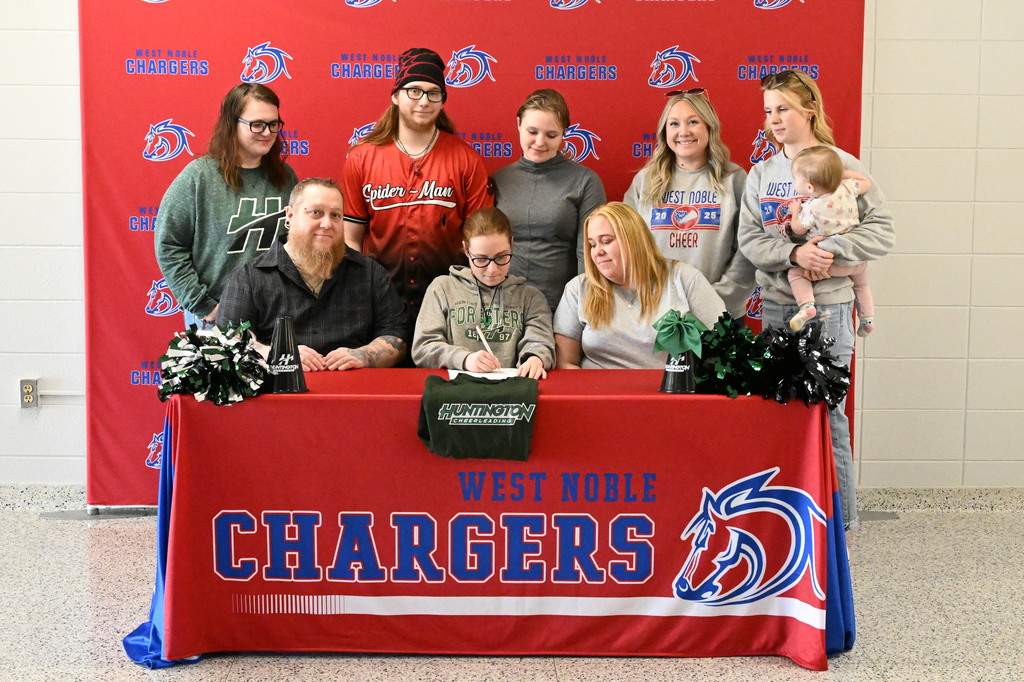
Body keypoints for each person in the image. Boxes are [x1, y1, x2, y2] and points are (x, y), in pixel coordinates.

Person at [737, 69, 895, 530]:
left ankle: (841, 524)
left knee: (829, 415)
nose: (774, 119)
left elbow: (881, 231)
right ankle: (784, 522)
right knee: (777, 413)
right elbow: (749, 240)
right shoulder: (762, 173)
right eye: (768, 111)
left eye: (783, 109)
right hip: (777, 308)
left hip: (829, 309)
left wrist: (827, 251)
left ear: (809, 109)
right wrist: (793, 253)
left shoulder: (842, 165)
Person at [341, 47, 493, 340]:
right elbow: (351, 239)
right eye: (414, 91)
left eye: (433, 93)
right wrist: (359, 292)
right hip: (380, 301)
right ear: (395, 96)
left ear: (443, 101)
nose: (424, 101)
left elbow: (481, 238)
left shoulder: (465, 158)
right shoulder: (361, 157)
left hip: (450, 303)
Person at [217, 178, 408, 371]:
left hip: (354, 386)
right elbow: (227, 339)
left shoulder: (370, 273)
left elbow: (397, 334)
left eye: (335, 215)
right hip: (280, 387)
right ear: (290, 215)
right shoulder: (248, 277)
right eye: (316, 213)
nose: (327, 224)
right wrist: (275, 353)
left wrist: (365, 355)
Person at [155, 83, 297, 330]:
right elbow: (169, 244)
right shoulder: (199, 177)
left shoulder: (285, 177)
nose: (267, 132)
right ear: (232, 124)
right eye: (257, 124)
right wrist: (203, 305)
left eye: (273, 124)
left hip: (274, 316)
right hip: (216, 320)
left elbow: (296, 245)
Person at [624, 89, 755, 318]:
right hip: (658, 313)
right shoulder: (645, 181)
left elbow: (747, 249)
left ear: (709, 127)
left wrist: (712, 304)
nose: (683, 132)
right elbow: (627, 246)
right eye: (674, 124)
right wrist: (651, 299)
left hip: (719, 313)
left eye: (693, 122)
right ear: (664, 131)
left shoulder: (734, 179)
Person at [554, 202, 726, 370]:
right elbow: (565, 363)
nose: (597, 251)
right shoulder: (578, 288)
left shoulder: (684, 278)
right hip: (598, 387)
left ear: (634, 240)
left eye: (606, 241)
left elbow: (726, 345)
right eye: (592, 244)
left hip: (669, 387)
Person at [492, 89, 606, 310]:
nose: (540, 142)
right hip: (502, 305)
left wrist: (585, 309)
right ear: (518, 124)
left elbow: (589, 254)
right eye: (532, 131)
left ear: (564, 133)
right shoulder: (498, 180)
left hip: (562, 306)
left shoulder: (586, 181)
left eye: (551, 135)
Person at [412, 208, 554, 379]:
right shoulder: (442, 288)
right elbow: (423, 348)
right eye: (481, 259)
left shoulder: (530, 297)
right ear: (466, 250)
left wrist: (535, 358)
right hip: (455, 389)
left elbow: (540, 342)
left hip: (512, 388)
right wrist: (464, 359)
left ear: (512, 244)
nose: (492, 269)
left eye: (501, 257)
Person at [787, 146, 876, 334]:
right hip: (855, 260)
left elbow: (797, 229)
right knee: (862, 285)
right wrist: (843, 174)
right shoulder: (847, 187)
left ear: (809, 188)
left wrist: (796, 211)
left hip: (827, 262)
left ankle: (807, 306)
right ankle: (867, 320)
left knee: (795, 273)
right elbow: (866, 182)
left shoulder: (812, 208)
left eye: (796, 178)